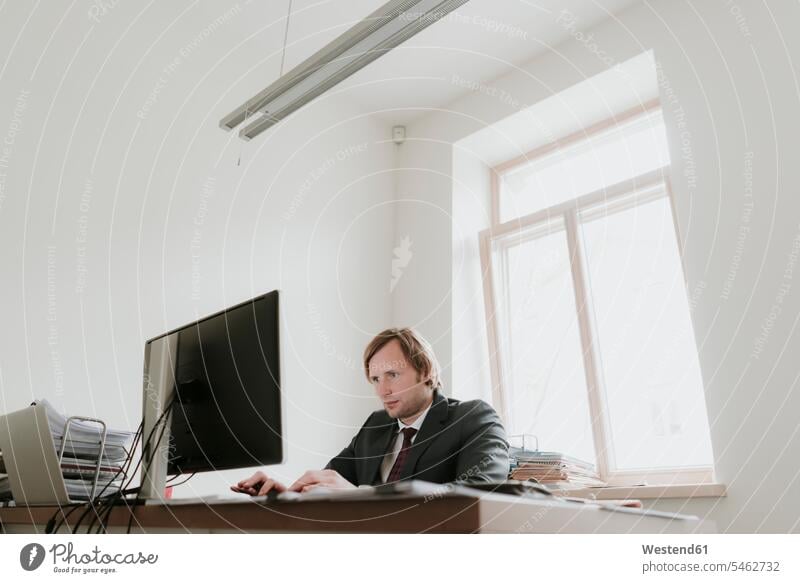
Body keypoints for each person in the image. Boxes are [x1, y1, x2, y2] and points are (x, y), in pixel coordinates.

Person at [231, 327, 509, 496]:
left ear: (425, 371)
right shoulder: (375, 425)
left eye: (392, 375)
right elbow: (331, 483)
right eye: (375, 379)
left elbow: (480, 494)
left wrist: (361, 495)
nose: (382, 390)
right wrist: (288, 492)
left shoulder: (473, 418)